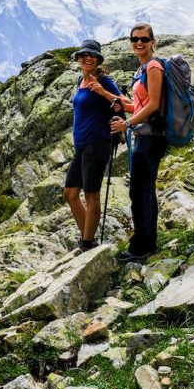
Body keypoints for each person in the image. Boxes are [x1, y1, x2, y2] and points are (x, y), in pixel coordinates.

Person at [109, 23, 167, 262]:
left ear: (152, 41)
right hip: (147, 135)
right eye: (134, 39)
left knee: (139, 190)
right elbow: (142, 105)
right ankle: (147, 240)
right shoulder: (143, 68)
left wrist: (127, 124)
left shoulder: (153, 66)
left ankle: (142, 245)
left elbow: (153, 105)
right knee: (144, 189)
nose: (139, 43)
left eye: (143, 39)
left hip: (151, 137)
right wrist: (120, 104)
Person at [64, 40, 122, 252]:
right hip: (82, 145)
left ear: (98, 60)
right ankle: (88, 238)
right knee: (70, 194)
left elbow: (121, 103)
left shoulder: (104, 80)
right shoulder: (81, 78)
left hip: (97, 143)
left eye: (92, 56)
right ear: (79, 59)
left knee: (91, 195)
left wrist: (103, 93)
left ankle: (87, 243)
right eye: (83, 55)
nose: (87, 58)